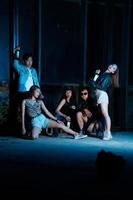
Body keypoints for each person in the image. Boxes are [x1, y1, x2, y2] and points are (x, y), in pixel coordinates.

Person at [22, 85, 87, 140]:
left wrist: (56, 119)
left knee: (61, 125)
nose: (38, 93)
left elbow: (47, 112)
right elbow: (23, 115)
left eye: (39, 92)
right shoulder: (25, 101)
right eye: (37, 91)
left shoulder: (40, 101)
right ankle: (33, 131)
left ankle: (76, 134)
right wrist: (23, 127)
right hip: (35, 121)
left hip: (43, 119)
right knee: (34, 137)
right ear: (32, 91)